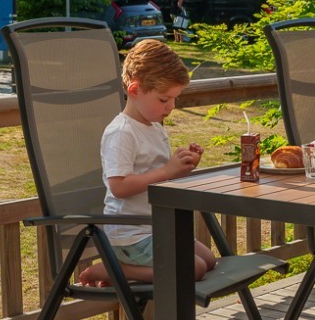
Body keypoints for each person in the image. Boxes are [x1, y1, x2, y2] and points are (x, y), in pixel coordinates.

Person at [78, 38, 216, 286]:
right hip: (130, 235)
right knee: (194, 268)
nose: (171, 107)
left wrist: (182, 167)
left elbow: (160, 178)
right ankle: (115, 270)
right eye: (164, 100)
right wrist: (166, 170)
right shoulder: (122, 133)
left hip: (156, 227)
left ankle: (123, 269)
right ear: (134, 90)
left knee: (208, 260)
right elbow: (119, 187)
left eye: (174, 99)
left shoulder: (154, 128)